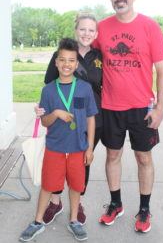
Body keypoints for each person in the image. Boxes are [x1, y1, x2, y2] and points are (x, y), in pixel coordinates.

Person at [93, 0, 163, 233]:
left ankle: (144, 209)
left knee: (143, 157)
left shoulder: (150, 26)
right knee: (112, 155)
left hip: (141, 108)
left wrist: (159, 108)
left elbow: (162, 71)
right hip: (110, 106)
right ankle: (115, 203)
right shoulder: (101, 28)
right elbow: (83, 54)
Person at [19, 38, 98, 242]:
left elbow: (90, 119)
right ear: (56, 62)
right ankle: (37, 221)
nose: (66, 64)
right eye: (62, 59)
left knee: (75, 186)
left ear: (76, 64)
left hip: (77, 148)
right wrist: (55, 113)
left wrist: (89, 148)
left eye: (71, 60)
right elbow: (45, 122)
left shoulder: (84, 88)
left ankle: (74, 220)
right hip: (54, 148)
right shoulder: (48, 90)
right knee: (48, 185)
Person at [35, 13, 102, 226]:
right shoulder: (63, 54)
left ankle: (77, 204)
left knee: (82, 164)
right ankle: (55, 202)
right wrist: (43, 111)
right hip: (60, 124)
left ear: (96, 33)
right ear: (76, 30)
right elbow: (49, 87)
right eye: (82, 29)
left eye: (91, 30)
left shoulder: (99, 57)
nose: (86, 33)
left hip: (90, 118)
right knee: (56, 166)